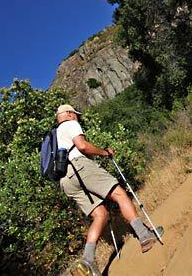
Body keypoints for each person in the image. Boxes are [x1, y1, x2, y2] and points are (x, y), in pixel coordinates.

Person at [55, 104, 159, 276]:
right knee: (119, 194)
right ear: (69, 114)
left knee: (100, 215)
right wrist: (104, 152)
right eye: (76, 114)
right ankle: (144, 235)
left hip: (65, 180)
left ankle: (88, 261)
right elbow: (82, 146)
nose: (77, 118)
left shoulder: (56, 135)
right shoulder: (70, 124)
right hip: (79, 167)